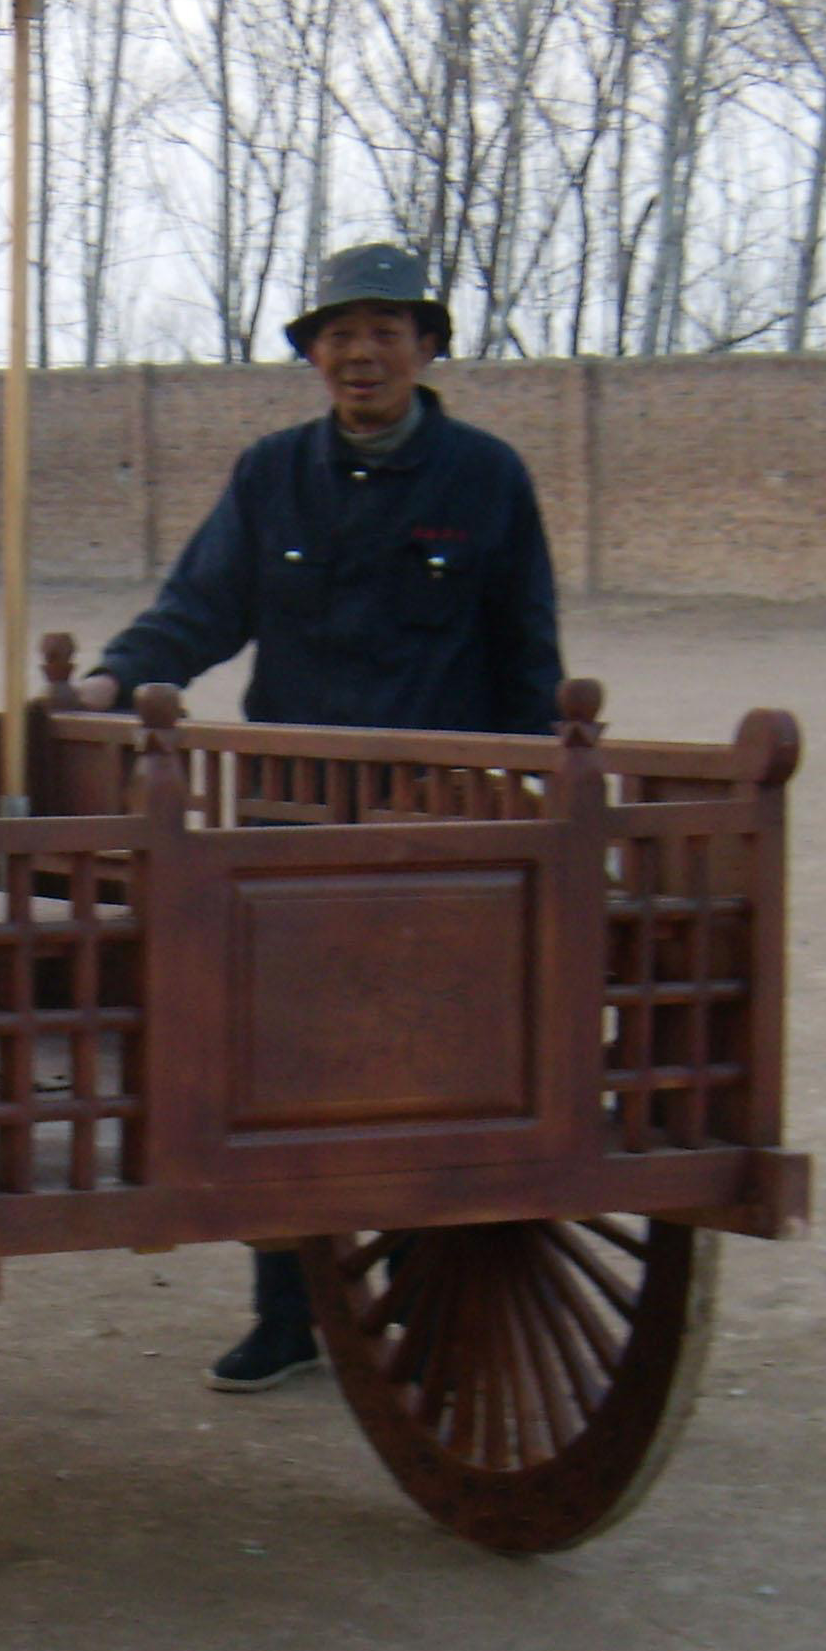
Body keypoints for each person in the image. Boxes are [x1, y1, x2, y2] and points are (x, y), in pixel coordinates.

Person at [70, 242, 564, 1394]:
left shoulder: (486, 477)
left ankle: (432, 1299)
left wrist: (535, 796)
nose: (359, 354)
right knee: (269, 1056)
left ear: (427, 346)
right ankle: (288, 1309)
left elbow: (526, 646)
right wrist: (105, 683)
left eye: (384, 331)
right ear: (313, 357)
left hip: (440, 826)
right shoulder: (271, 474)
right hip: (287, 821)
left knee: (434, 1061)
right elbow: (199, 609)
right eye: (337, 335)